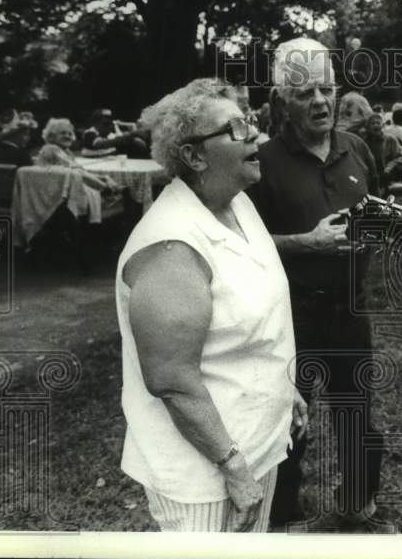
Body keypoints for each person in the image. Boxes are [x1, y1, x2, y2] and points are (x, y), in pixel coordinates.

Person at [116, 77, 307, 532]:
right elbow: (171, 380)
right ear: (195, 155)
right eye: (235, 129)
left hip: (254, 445)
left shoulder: (236, 203)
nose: (255, 134)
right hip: (203, 474)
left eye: (251, 122)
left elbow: (256, 320)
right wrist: (234, 469)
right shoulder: (171, 246)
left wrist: (285, 391)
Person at [250, 38, 385, 530]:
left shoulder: (358, 150)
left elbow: (378, 213)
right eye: (305, 93)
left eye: (326, 88)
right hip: (291, 315)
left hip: (351, 308)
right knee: (287, 422)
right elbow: (240, 246)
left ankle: (359, 505)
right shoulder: (260, 161)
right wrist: (307, 243)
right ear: (283, 101)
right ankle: (282, 515)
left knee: (357, 414)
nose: (321, 102)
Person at [36, 118, 122, 195]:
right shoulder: (51, 148)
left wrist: (103, 178)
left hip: (65, 185)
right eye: (63, 133)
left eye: (70, 134)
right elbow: (75, 171)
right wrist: (102, 183)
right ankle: (107, 189)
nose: (67, 136)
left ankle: (107, 188)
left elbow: (79, 171)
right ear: (51, 136)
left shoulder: (66, 151)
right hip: (55, 190)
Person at [362, 112, 402, 194]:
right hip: (369, 173)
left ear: (382, 125)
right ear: (367, 127)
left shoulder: (390, 139)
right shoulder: (364, 141)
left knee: (378, 181)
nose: (375, 125)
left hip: (386, 172)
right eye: (373, 123)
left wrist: (389, 168)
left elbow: (400, 158)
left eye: (378, 123)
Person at [82, 108, 150, 158]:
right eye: (105, 124)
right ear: (95, 123)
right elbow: (101, 144)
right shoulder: (89, 133)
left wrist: (133, 138)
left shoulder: (107, 134)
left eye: (110, 124)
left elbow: (120, 138)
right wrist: (131, 135)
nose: (109, 127)